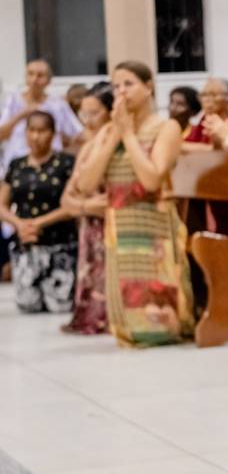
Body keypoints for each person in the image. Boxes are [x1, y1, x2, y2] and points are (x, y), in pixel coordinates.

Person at [76, 61, 193, 347]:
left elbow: (152, 179)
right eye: (116, 86)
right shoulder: (108, 131)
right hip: (120, 223)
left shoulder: (167, 128)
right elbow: (85, 184)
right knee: (128, 317)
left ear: (148, 87)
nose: (121, 91)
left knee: (160, 322)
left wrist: (128, 135)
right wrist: (115, 134)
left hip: (155, 225)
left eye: (128, 84)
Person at [0, 112, 77, 313]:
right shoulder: (17, 165)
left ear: (52, 134)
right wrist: (19, 223)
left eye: (42, 131)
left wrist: (38, 223)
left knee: (60, 306)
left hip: (60, 243)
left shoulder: (66, 163)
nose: (36, 136)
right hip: (26, 242)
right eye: (31, 130)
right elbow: (2, 205)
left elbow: (72, 205)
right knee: (28, 305)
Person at [61, 82, 113, 334]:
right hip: (90, 223)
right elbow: (66, 199)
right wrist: (85, 205)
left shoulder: (116, 142)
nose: (88, 121)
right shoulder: (86, 148)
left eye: (94, 113)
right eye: (84, 114)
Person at [0, 59, 83, 174]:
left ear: (49, 81)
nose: (34, 80)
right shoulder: (13, 101)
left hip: (51, 168)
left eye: (40, 76)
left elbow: (78, 134)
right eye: (31, 74)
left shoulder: (57, 104)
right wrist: (21, 115)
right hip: (16, 168)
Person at [182, 77, 228, 151]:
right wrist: (210, 148)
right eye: (204, 95)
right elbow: (182, 145)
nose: (206, 99)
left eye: (212, 95)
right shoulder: (205, 119)